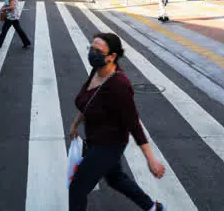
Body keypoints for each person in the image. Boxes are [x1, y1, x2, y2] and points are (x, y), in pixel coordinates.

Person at [69, 33, 166, 211]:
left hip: (109, 144)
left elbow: (134, 124)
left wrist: (151, 159)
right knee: (115, 178)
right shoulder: (97, 71)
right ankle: (152, 207)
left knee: (77, 188)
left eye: (98, 51)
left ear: (112, 56)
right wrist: (76, 123)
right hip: (95, 138)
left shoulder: (119, 84)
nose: (92, 53)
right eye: (91, 48)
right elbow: (88, 101)